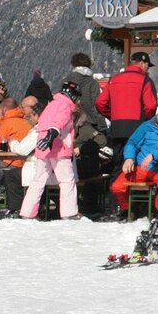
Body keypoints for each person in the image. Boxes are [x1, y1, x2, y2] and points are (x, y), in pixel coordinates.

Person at [25, 76, 105, 221]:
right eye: (77, 97)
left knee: (38, 180)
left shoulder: (52, 104)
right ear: (72, 95)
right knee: (67, 180)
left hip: (43, 147)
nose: (77, 101)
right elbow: (58, 122)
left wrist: (46, 138)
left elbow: (44, 122)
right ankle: (69, 212)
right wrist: (51, 135)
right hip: (58, 147)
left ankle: (27, 212)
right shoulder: (64, 106)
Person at [113, 103, 158, 215]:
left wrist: (153, 155)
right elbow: (132, 142)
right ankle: (128, 209)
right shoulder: (147, 126)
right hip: (141, 166)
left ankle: (156, 210)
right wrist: (129, 158)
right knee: (117, 187)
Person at [97, 52, 158, 163]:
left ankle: (116, 180)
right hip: (138, 127)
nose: (147, 69)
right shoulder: (145, 80)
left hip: (117, 128)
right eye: (147, 66)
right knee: (135, 162)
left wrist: (112, 115)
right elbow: (151, 106)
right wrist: (147, 122)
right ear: (142, 63)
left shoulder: (114, 79)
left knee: (118, 163)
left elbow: (100, 102)